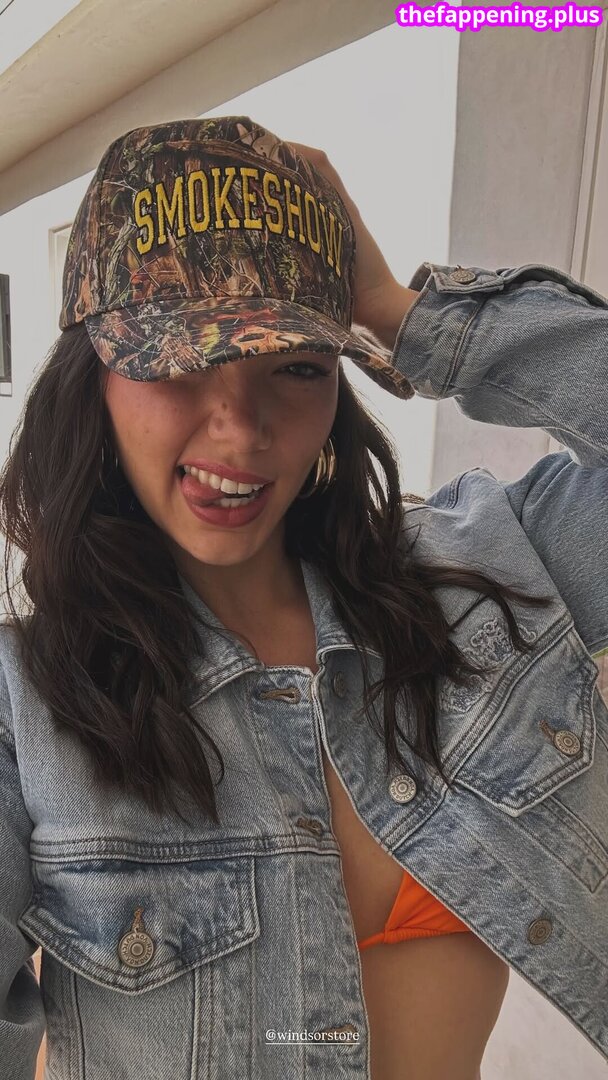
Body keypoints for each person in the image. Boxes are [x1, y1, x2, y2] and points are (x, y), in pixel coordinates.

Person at [0, 115, 606, 1080]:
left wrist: (401, 310)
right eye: (182, 362)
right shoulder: (27, 702)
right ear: (96, 380)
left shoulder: (483, 583)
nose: (242, 430)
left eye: (296, 367)